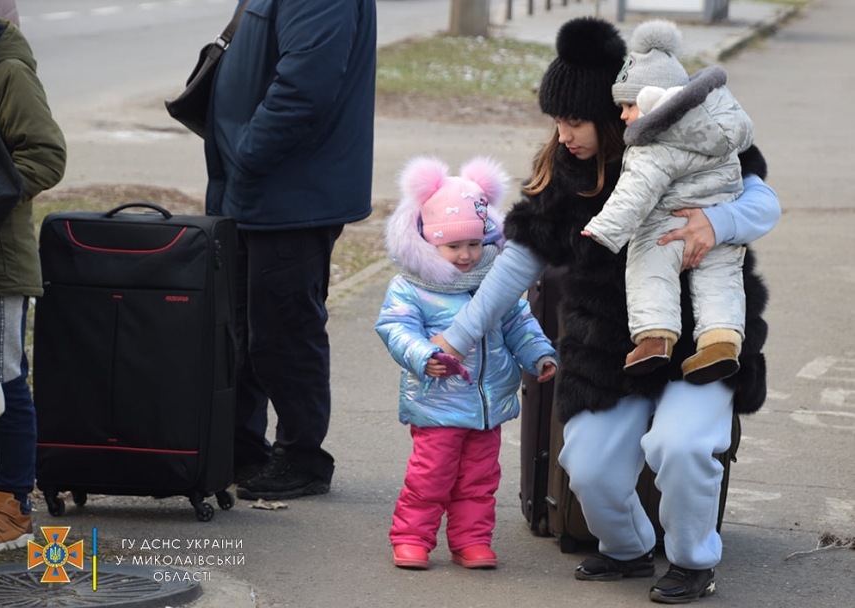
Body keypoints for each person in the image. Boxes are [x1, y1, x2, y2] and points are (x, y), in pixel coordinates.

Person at [431, 17, 779, 604]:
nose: (563, 133)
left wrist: (715, 222)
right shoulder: (570, 173)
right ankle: (629, 548)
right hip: (610, 349)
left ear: (614, 109)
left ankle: (694, 562)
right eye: (557, 120)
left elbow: (763, 199)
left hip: (700, 341)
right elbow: (517, 266)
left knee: (681, 445)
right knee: (586, 465)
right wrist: (456, 338)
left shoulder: (695, 132)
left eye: (574, 120)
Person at [203, 0, 377, 500]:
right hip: (257, 187)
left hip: (292, 190)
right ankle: (241, 448)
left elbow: (305, 86)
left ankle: (302, 458)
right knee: (238, 328)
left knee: (282, 330)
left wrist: (248, 154)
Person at [375, 156, 557, 570]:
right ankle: (412, 538)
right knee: (430, 478)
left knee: (479, 482)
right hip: (438, 405)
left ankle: (471, 540)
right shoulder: (412, 287)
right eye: (453, 245)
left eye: (474, 244)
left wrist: (539, 353)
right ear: (428, 241)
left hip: (487, 408)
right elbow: (395, 328)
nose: (466, 255)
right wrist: (424, 355)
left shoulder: (494, 283)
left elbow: (519, 322)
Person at [581, 20, 755, 385]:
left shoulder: (654, 146)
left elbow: (635, 192)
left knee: (647, 265)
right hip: (720, 225)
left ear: (654, 100)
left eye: (629, 105)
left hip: (666, 225)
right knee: (721, 280)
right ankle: (720, 343)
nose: (624, 116)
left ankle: (655, 336)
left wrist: (602, 231)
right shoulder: (722, 124)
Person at [0, 16, 67, 551]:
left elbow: (45, 154)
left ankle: (10, 506)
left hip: (0, 265)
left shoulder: (8, 70)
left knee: (4, 378)